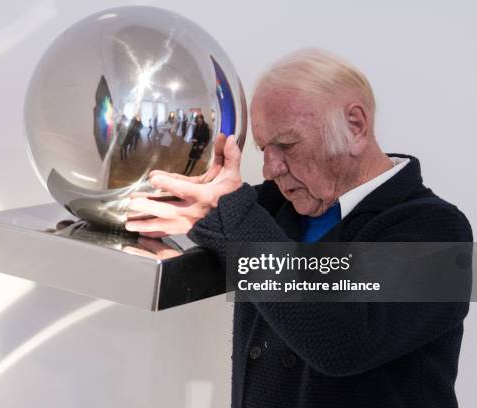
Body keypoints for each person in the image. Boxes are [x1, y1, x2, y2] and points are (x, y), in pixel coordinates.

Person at [125, 48, 472, 408]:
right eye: (264, 148)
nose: (270, 169)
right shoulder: (273, 209)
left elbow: (342, 341)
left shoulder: (439, 231)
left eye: (287, 144)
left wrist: (231, 216)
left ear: (355, 126)